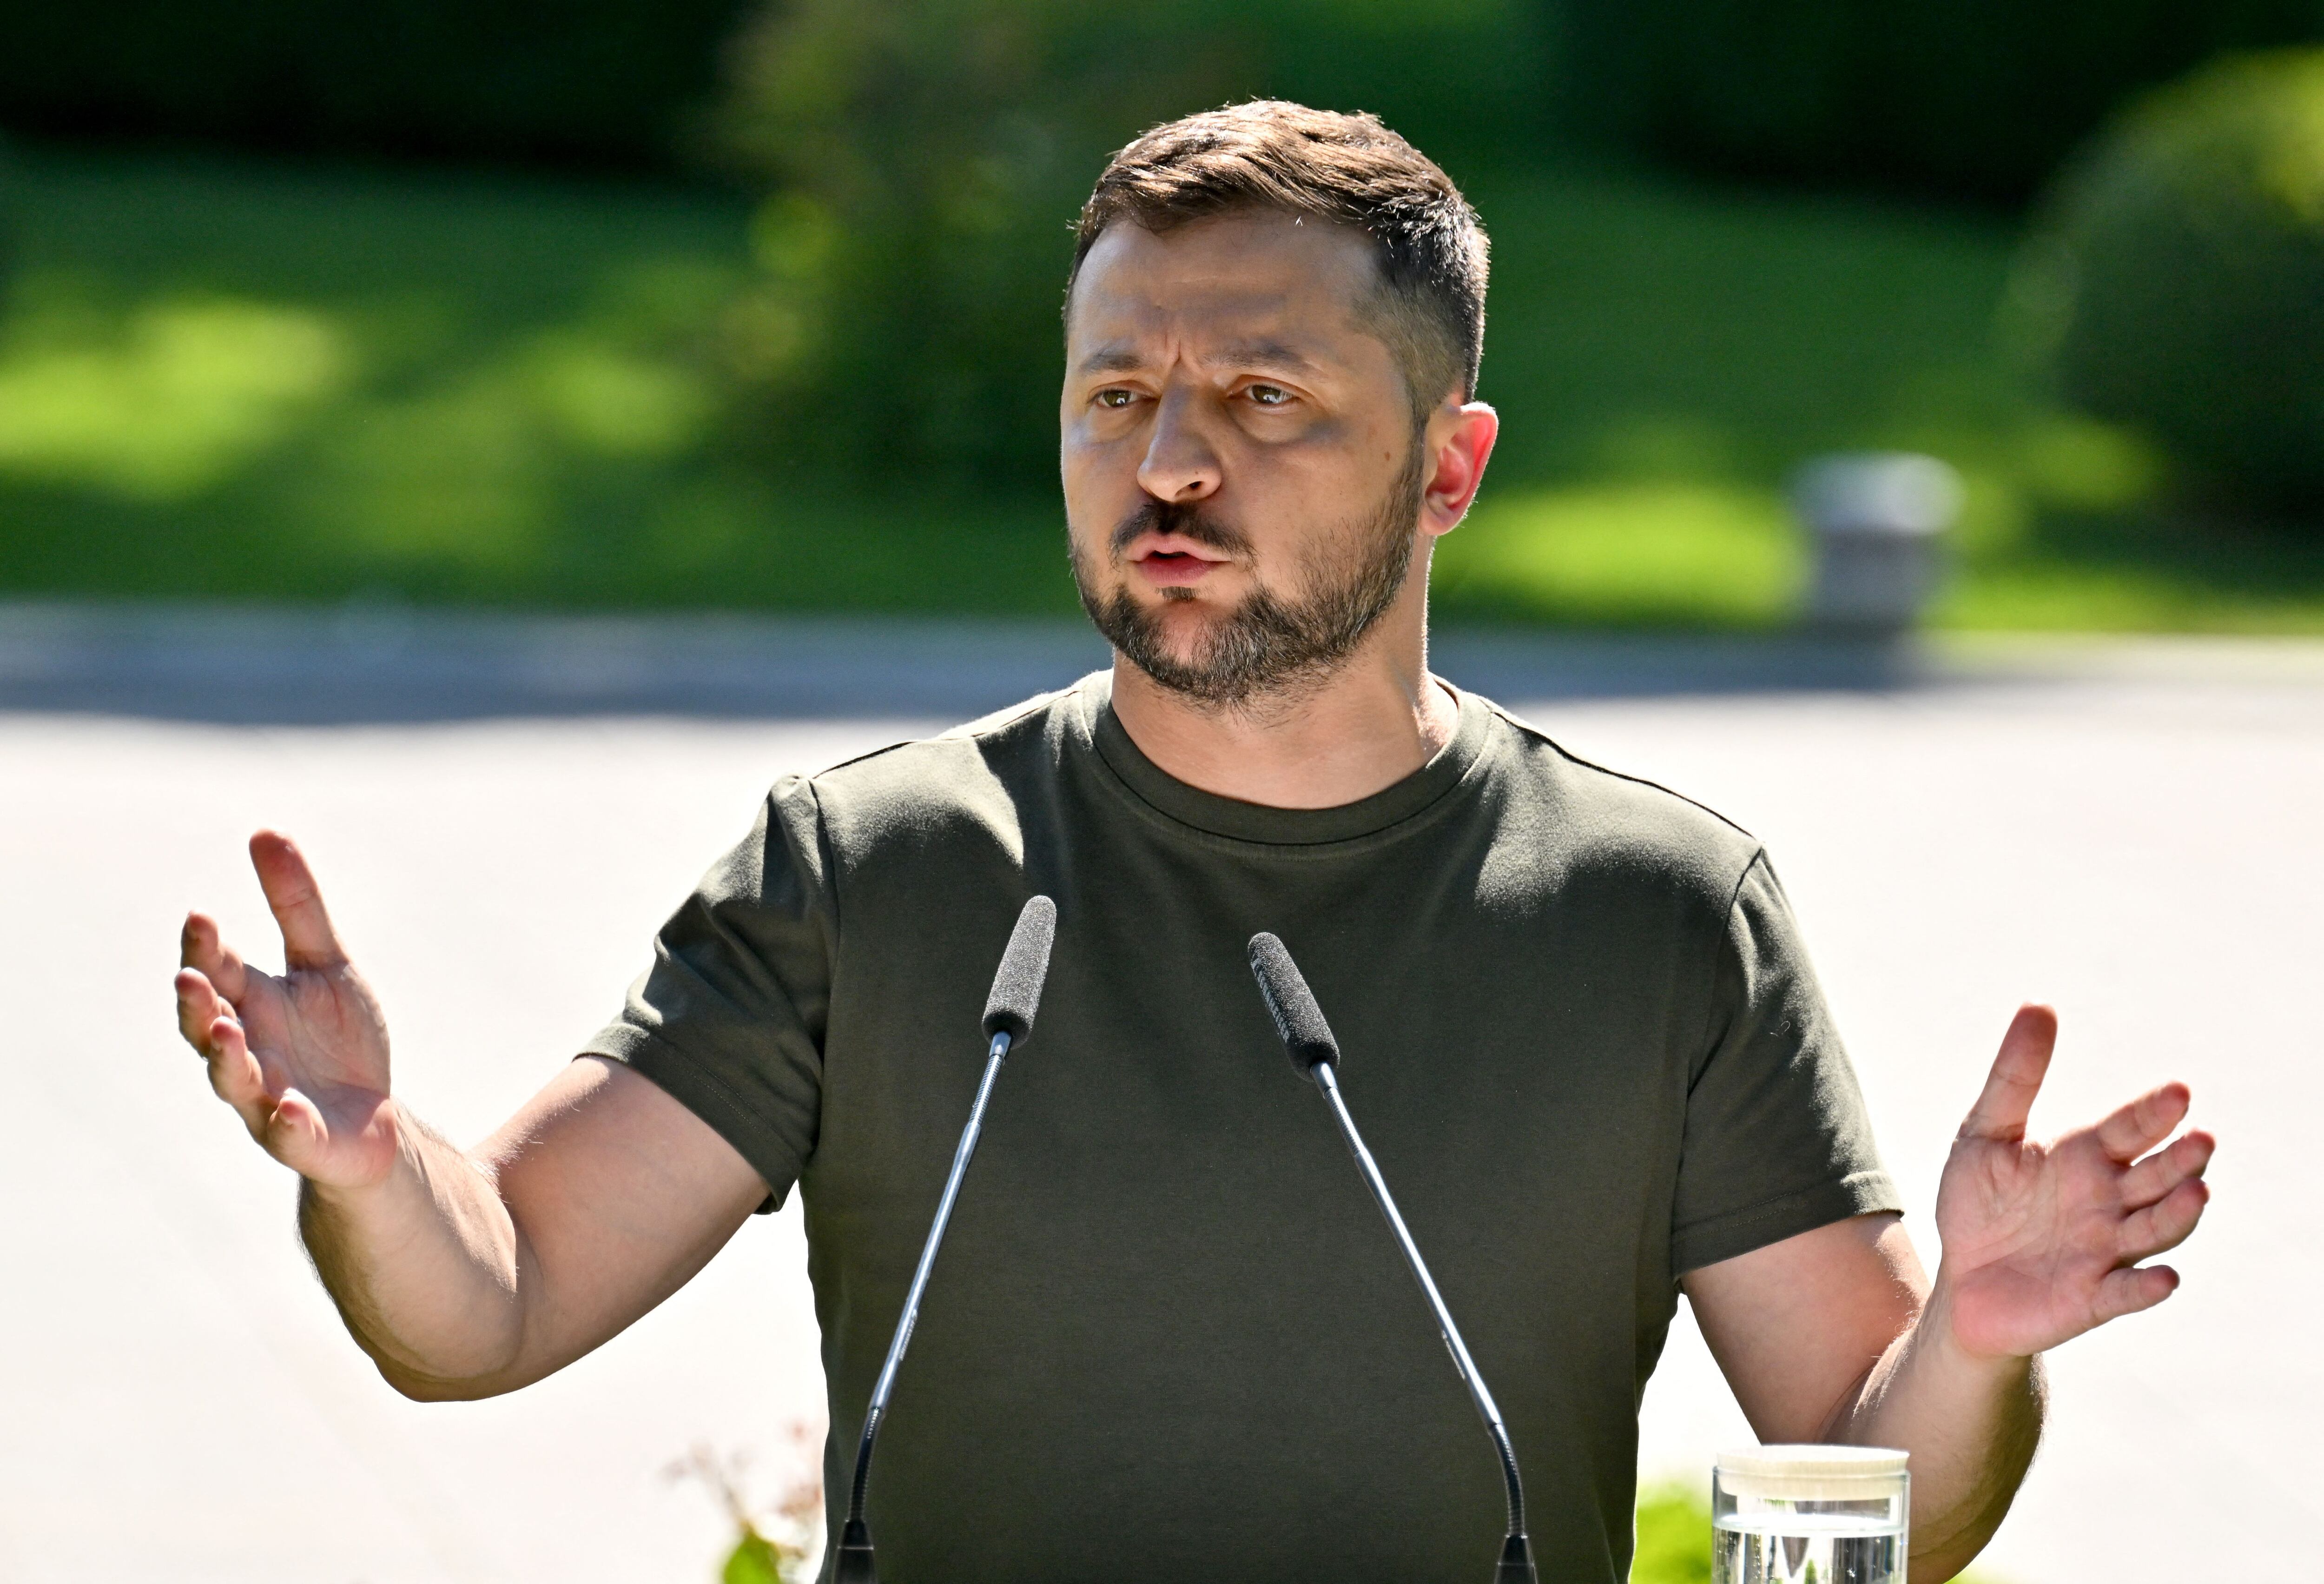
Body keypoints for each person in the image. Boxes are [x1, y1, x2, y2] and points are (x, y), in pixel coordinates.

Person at [172, 103, 2213, 1584]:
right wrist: (373, 1167)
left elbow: (1858, 1500)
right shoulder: (874, 869)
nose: (1165, 461)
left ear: (1446, 466)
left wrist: (1964, 1339)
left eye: (1261, 396)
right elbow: (491, 1300)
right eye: (1114, 392)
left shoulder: (1655, 915)